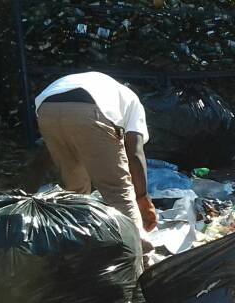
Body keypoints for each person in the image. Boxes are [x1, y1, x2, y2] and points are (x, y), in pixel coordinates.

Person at [35, 72, 158, 235]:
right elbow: (134, 153)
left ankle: (77, 241)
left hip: (46, 107)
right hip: (89, 107)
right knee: (117, 191)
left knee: (75, 191)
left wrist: (28, 188)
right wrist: (143, 198)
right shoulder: (133, 101)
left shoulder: (105, 87)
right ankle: (140, 253)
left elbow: (45, 155)